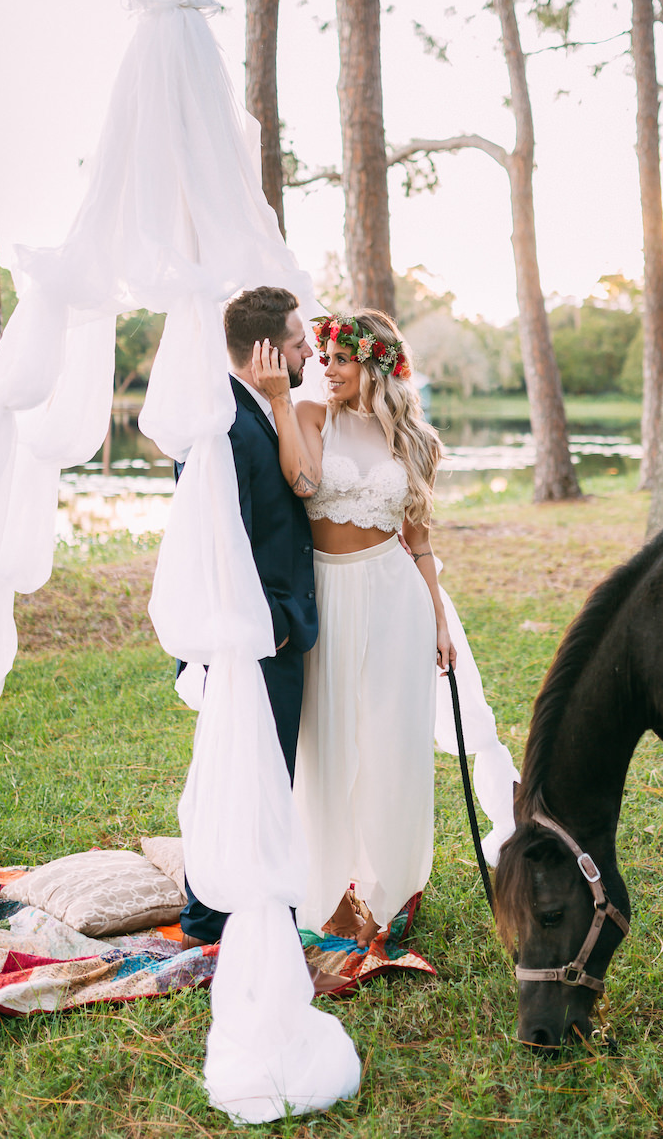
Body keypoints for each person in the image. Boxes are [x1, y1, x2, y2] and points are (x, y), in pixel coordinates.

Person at [255, 308, 456, 949]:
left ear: (375, 363)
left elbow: (419, 543)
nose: (327, 367)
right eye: (324, 356)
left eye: (341, 358)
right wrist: (284, 405)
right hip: (328, 594)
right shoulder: (313, 415)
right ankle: (324, 883)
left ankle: (388, 886)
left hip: (396, 595)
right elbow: (305, 480)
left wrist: (439, 620)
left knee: (392, 738)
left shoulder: (414, 442)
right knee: (328, 738)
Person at [178, 286, 348, 994]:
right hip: (256, 634)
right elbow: (216, 542)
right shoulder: (223, 422)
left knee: (257, 766)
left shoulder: (253, 411)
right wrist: (267, 625)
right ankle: (213, 913)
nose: (310, 352)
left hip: (267, 629)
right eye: (299, 340)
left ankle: (224, 900)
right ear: (266, 350)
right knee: (248, 767)